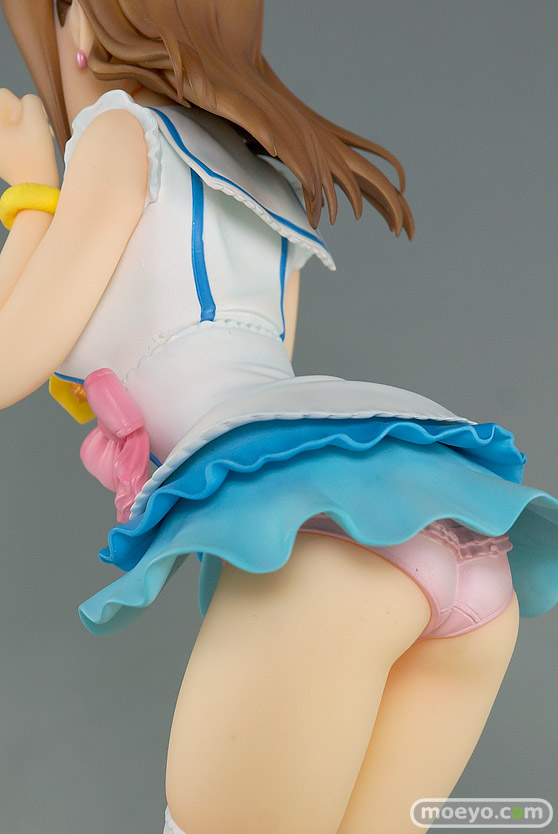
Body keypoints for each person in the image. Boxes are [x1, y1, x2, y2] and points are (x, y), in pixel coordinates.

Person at [0, 2, 556, 832]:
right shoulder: (264, 176)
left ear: (85, 27)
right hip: (453, 538)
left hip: (332, 549)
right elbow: (268, 375)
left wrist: (30, 195)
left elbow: (11, 354)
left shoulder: (118, 133)